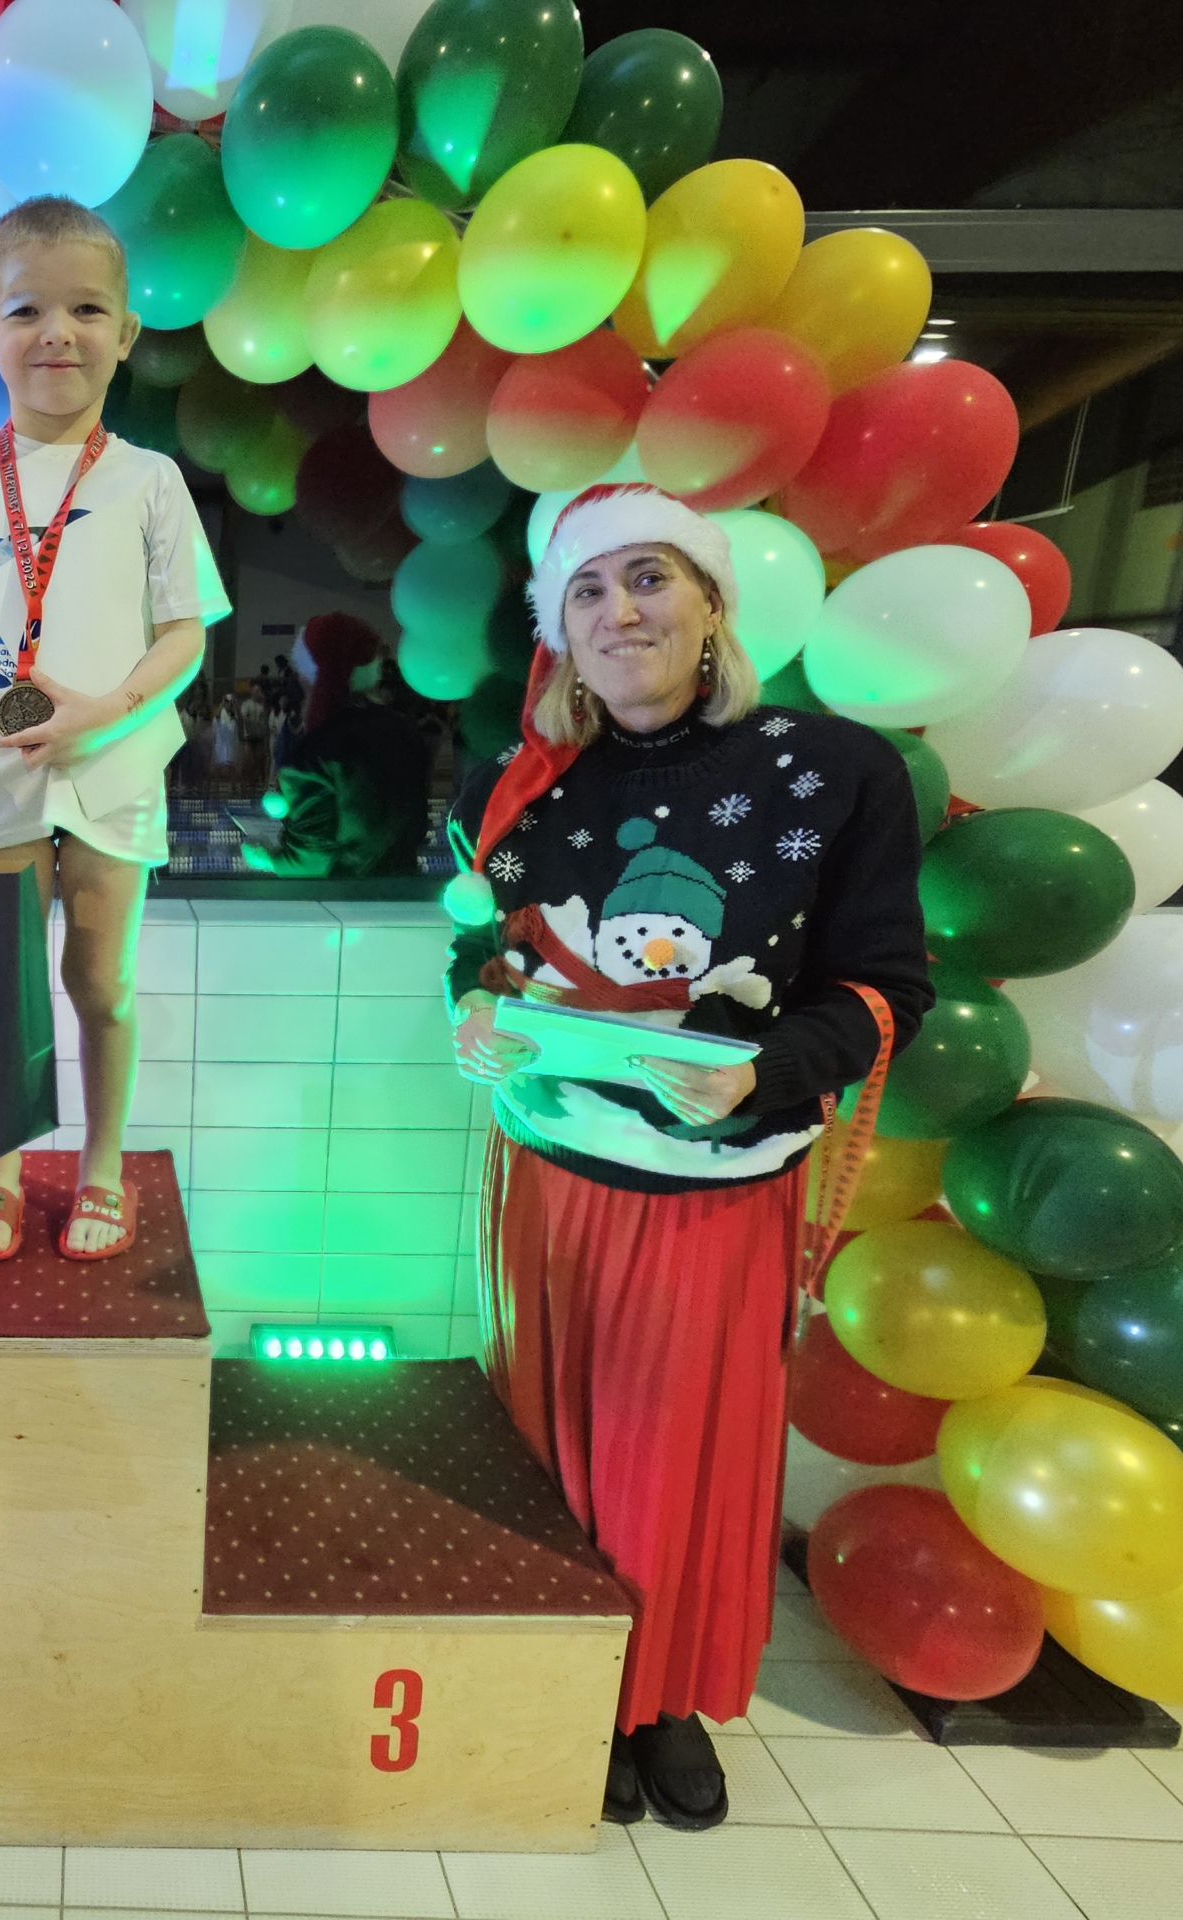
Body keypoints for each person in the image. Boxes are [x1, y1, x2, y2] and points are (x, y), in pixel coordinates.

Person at [444, 484, 932, 1830]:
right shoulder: (520, 783)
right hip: (548, 1182)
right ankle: (574, 1687)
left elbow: (887, 989)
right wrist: (474, 1013)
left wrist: (761, 1072)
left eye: (650, 577)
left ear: (713, 604)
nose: (621, 612)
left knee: (673, 1469)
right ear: (558, 629)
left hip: (714, 1199)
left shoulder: (833, 770)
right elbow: (484, 950)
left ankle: (660, 1696)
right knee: (549, 1455)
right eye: (588, 590)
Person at [0, 194, 229, 1261]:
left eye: (87, 310)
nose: (57, 333)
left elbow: (186, 635)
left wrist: (107, 710)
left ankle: (101, 1166)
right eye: (26, 310)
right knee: (1, 990)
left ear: (126, 334)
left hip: (114, 765)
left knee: (99, 986)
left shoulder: (149, 481)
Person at [242, 613, 430, 878]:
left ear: (308, 676)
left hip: (348, 894)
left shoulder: (316, 751)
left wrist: (269, 859)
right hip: (407, 886)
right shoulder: (405, 732)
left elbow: (310, 861)